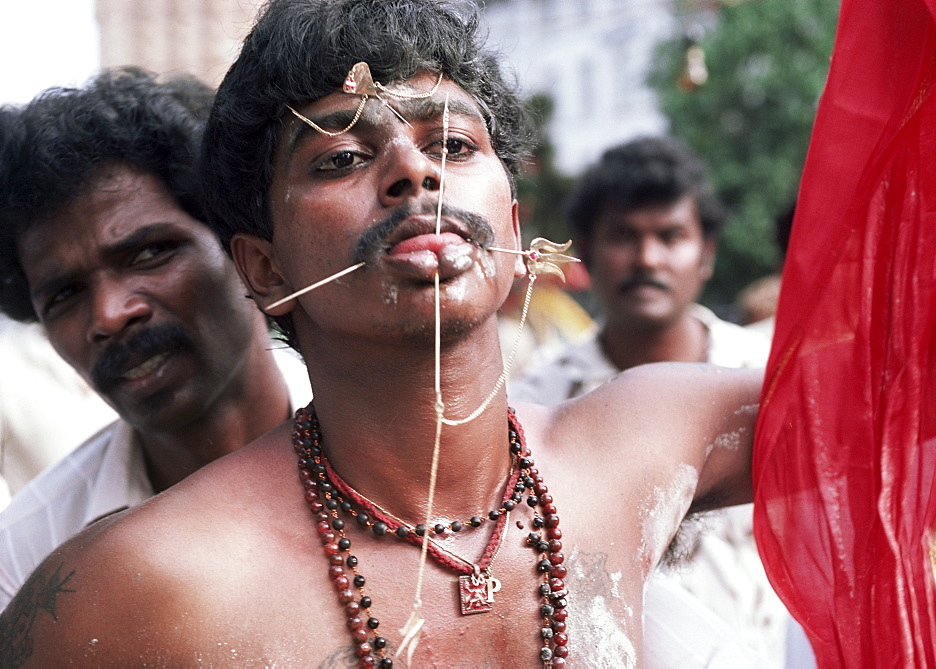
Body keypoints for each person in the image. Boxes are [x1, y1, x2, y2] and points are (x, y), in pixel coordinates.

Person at [0, 3, 761, 666]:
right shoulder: (132, 589)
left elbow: (878, 393)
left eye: (455, 146)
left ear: (515, 225)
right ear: (262, 269)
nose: (412, 170)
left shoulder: (646, 439)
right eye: (341, 158)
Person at [0, 67, 310, 611]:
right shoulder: (30, 563)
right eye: (64, 295)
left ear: (249, 256)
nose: (110, 315)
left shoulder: (401, 453)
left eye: (149, 253)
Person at [509, 136, 783, 666]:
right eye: (623, 236)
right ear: (585, 248)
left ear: (706, 253)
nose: (647, 258)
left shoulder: (769, 378)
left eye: (670, 235)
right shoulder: (536, 407)